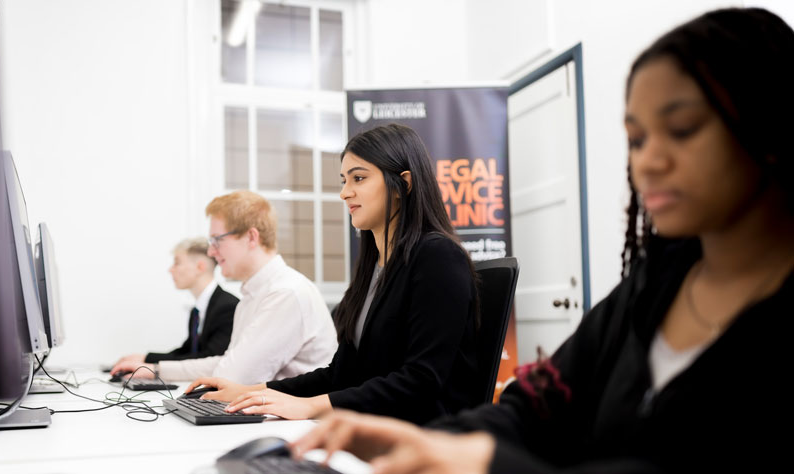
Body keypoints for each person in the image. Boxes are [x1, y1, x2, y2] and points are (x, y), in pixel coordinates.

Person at [289, 7, 794, 473]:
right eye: (637, 139)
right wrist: (443, 443)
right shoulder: (655, 281)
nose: (648, 161)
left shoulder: (434, 256)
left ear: (771, 126)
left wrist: (483, 457)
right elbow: (536, 404)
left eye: (681, 129)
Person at [187, 123, 482, 425]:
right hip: (372, 426)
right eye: (344, 180)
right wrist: (255, 392)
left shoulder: (438, 257)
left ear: (403, 184)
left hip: (422, 436)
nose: (344, 193)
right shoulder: (375, 267)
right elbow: (341, 374)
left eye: (359, 178)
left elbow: (421, 381)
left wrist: (312, 407)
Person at [111, 191, 338, 383]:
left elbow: (233, 377)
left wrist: (156, 368)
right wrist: (156, 370)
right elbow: (229, 363)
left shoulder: (285, 293)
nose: (211, 252)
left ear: (251, 237)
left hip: (299, 425)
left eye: (217, 240)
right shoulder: (254, 293)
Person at [112, 238, 238, 366]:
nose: (171, 270)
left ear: (200, 267)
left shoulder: (227, 307)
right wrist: (144, 358)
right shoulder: (197, 310)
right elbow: (186, 352)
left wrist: (151, 364)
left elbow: (208, 358)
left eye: (177, 263)